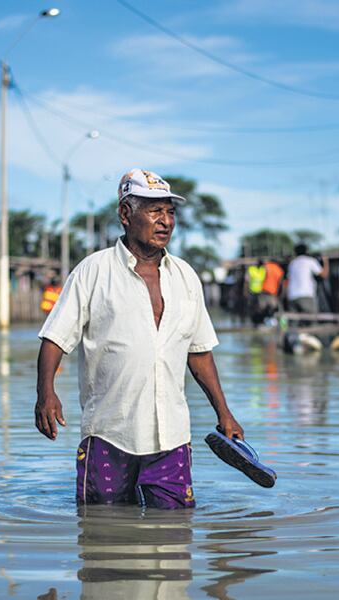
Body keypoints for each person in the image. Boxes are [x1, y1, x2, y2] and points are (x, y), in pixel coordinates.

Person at [34, 168, 244, 510]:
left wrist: (225, 413)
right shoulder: (93, 271)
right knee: (101, 533)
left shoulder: (185, 277)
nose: (166, 222)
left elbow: (200, 352)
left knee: (175, 538)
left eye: (170, 212)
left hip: (171, 436)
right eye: (154, 211)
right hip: (109, 432)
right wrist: (46, 393)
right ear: (125, 214)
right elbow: (55, 338)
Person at [285, 244, 327, 314]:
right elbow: (323, 275)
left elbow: (287, 280)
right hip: (306, 295)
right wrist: (326, 261)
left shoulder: (292, 263)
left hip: (292, 296)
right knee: (310, 322)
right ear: (307, 251)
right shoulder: (310, 261)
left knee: (294, 323)